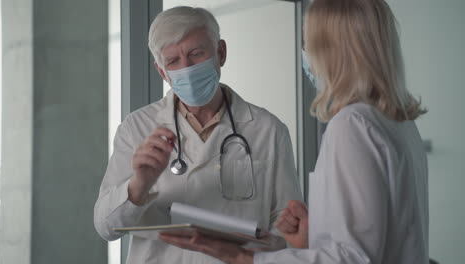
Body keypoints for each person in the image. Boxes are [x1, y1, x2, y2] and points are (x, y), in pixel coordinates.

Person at [160, 0, 429, 263]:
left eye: (307, 42)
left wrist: (242, 257)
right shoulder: (398, 122)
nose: (304, 53)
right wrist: (313, 239)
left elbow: (351, 258)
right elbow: (378, 238)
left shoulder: (353, 124)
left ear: (331, 50)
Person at [93, 6, 303, 264]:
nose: (187, 68)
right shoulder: (137, 127)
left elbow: (289, 224)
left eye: (196, 54)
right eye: (173, 61)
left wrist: (258, 245)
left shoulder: (268, 130)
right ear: (162, 72)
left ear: (220, 53)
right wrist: (139, 184)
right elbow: (105, 227)